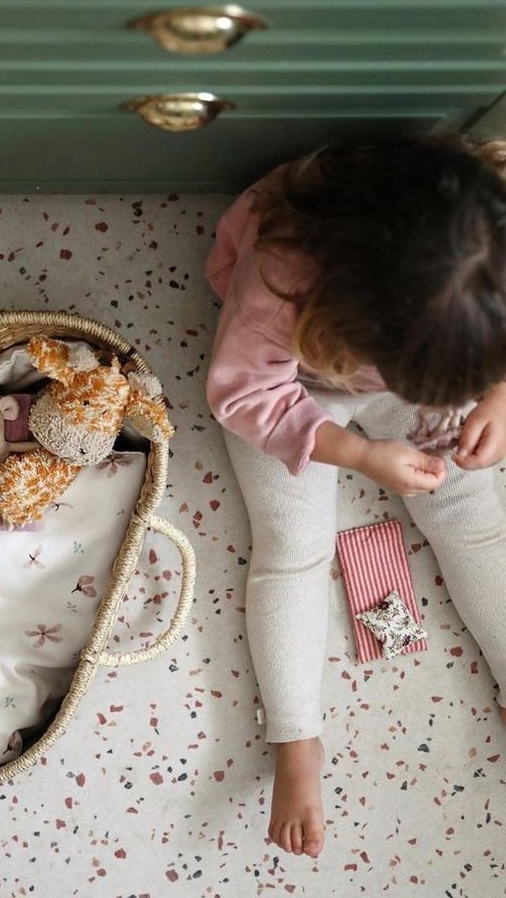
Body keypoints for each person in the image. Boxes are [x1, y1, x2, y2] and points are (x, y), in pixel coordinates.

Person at [204, 133, 506, 859]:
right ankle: (295, 736)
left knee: (475, 520)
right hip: (291, 387)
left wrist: (497, 394)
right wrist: (362, 454)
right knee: (292, 548)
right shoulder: (282, 281)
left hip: (423, 351)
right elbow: (246, 395)